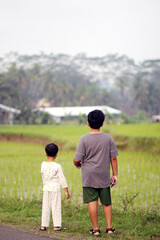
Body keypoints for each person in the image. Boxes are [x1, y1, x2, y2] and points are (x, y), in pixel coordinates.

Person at [73, 110, 118, 236]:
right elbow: (113, 158)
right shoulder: (108, 138)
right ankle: (109, 228)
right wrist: (115, 175)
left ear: (88, 123)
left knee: (92, 201)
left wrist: (77, 164)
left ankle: (96, 230)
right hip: (103, 174)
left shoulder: (84, 139)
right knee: (106, 202)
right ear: (102, 123)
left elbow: (77, 159)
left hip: (89, 175)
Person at [40, 143, 70, 231]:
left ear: (45, 153)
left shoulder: (43, 164)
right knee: (56, 206)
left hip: (46, 188)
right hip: (55, 189)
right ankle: (57, 225)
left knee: (45, 206)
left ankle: (43, 225)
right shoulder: (57, 166)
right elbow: (62, 179)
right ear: (57, 154)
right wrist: (66, 191)